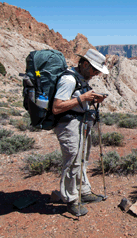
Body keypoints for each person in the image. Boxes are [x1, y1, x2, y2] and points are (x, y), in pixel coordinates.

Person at [52, 49, 109, 216]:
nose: (97, 74)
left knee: (82, 158)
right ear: (85, 64)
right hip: (69, 125)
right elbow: (57, 107)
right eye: (95, 70)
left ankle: (83, 192)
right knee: (73, 161)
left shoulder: (81, 78)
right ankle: (71, 200)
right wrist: (83, 99)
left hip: (80, 123)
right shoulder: (68, 80)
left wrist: (93, 99)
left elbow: (77, 100)